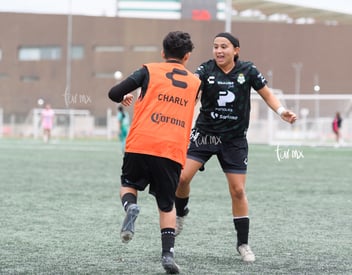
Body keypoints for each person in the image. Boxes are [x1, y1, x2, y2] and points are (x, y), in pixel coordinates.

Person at [174, 32, 297, 263]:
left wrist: (282, 112)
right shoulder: (205, 70)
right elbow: (191, 92)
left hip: (234, 140)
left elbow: (267, 94)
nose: (219, 51)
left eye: (224, 47)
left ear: (236, 50)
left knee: (238, 191)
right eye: (215, 46)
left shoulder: (248, 71)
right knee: (181, 178)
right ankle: (180, 213)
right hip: (204, 135)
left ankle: (243, 244)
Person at [108, 31, 201, 274]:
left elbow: (114, 93)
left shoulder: (148, 70)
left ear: (163, 53)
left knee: (129, 185)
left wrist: (126, 96)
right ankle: (167, 254)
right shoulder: (195, 83)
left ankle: (130, 208)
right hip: (171, 148)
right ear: (187, 57)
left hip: (141, 142)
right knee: (167, 205)